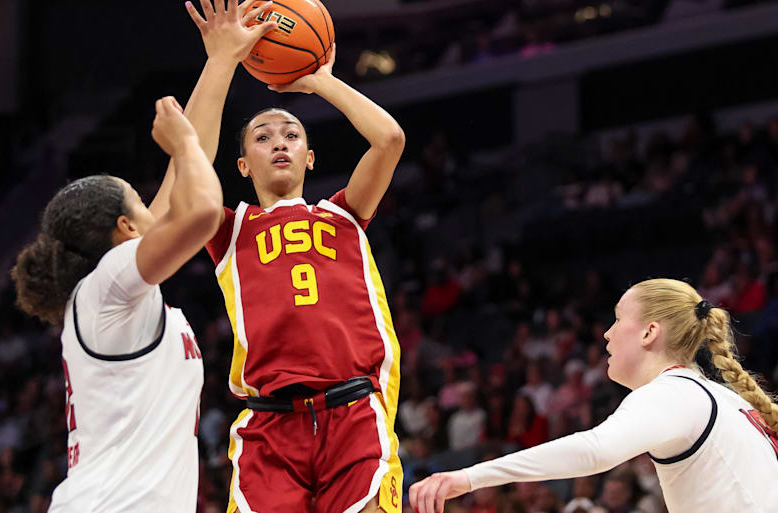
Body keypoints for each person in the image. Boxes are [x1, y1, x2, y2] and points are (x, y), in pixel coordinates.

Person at [178, 1, 406, 511]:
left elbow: (389, 139)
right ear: (242, 165)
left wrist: (320, 80)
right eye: (262, 137)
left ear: (310, 157)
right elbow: (187, 161)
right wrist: (221, 61)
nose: (279, 142)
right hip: (270, 424)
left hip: (352, 410)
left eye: (292, 135)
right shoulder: (230, 229)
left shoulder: (344, 214)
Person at [10, 96, 223, 512]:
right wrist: (182, 144)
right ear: (126, 228)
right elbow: (202, 211)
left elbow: (190, 170)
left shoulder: (108, 291)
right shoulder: (108, 284)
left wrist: (222, 64)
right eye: (142, 202)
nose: (155, 208)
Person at [410, 278, 778, 513]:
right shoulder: (722, 397)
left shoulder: (674, 392)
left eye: (617, 319)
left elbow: (595, 450)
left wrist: (469, 477)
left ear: (649, 332)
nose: (606, 333)